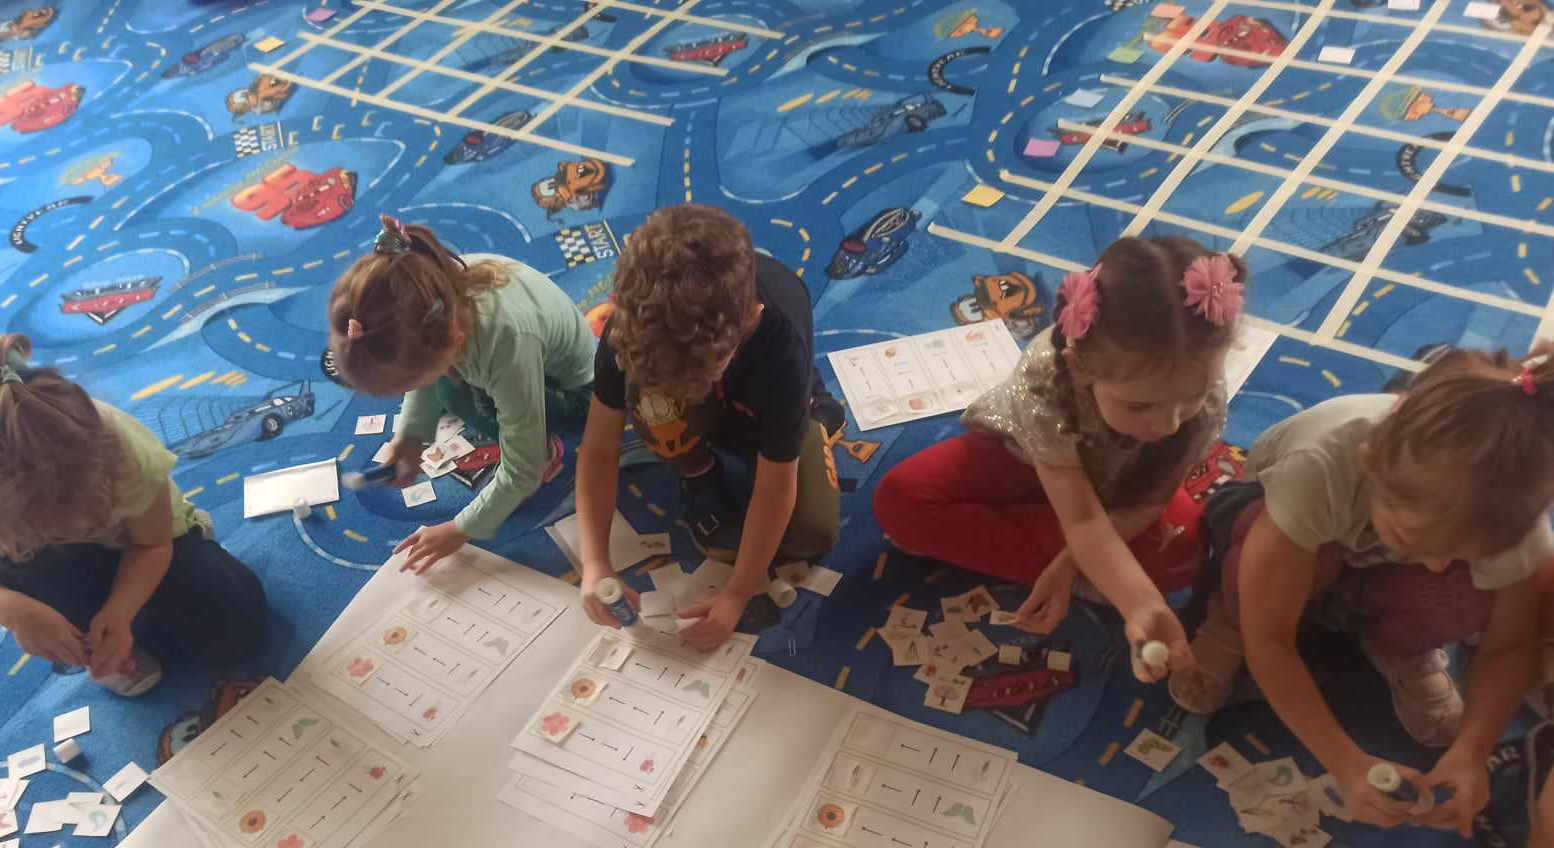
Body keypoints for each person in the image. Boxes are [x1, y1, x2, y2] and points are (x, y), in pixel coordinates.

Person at [1171, 347, 1554, 834]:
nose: (1438, 565)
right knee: (1281, 576)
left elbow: (1509, 645)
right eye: (1419, 539)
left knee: (1468, 595)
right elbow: (1270, 638)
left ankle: (1397, 645)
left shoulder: (1509, 514)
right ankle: (1228, 621)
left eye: (1460, 552)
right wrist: (1343, 760)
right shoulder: (1322, 465)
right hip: (1268, 520)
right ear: (1371, 463)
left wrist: (1473, 749)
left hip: (1367, 568)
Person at [872, 236, 1245, 681]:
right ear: (1079, 368)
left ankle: (1084, 561)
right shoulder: (1044, 380)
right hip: (1026, 457)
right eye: (1139, 406)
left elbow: (1148, 502)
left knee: (1182, 553)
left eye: (1190, 398)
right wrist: (1126, 587)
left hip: (1119, 486)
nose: (1168, 424)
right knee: (901, 499)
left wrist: (1074, 567)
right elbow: (1084, 522)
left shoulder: (1199, 389)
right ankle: (1092, 563)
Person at [574, 204, 845, 650]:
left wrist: (738, 593)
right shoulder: (632, 327)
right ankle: (700, 473)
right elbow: (599, 448)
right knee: (654, 402)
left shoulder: (780, 345)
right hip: (710, 377)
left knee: (810, 532)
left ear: (746, 324)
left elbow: (776, 485)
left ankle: (811, 406)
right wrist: (594, 563)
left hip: (760, 396)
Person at [0, 334, 266, 694]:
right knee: (33, 582)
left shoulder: (128, 457)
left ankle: (122, 623)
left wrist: (120, 611)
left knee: (241, 628)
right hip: (48, 569)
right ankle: (95, 644)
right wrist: (14, 611)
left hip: (139, 543)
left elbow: (152, 545)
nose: (60, 536)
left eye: (68, 526)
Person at [328, 215, 596, 573]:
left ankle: (543, 443)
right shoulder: (427, 293)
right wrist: (410, 437)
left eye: (410, 384)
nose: (410, 391)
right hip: (502, 356)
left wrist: (460, 529)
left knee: (460, 399)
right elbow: (428, 370)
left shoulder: (504, 342)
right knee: (446, 387)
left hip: (579, 391)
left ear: (452, 343)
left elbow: (523, 470)